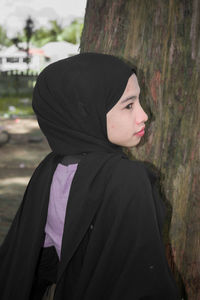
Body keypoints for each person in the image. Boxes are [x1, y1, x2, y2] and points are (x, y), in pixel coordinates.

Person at [0, 52, 180, 300]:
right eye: (129, 105)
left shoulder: (50, 170)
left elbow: (42, 258)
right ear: (85, 112)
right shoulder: (128, 180)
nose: (143, 115)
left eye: (139, 102)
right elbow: (144, 279)